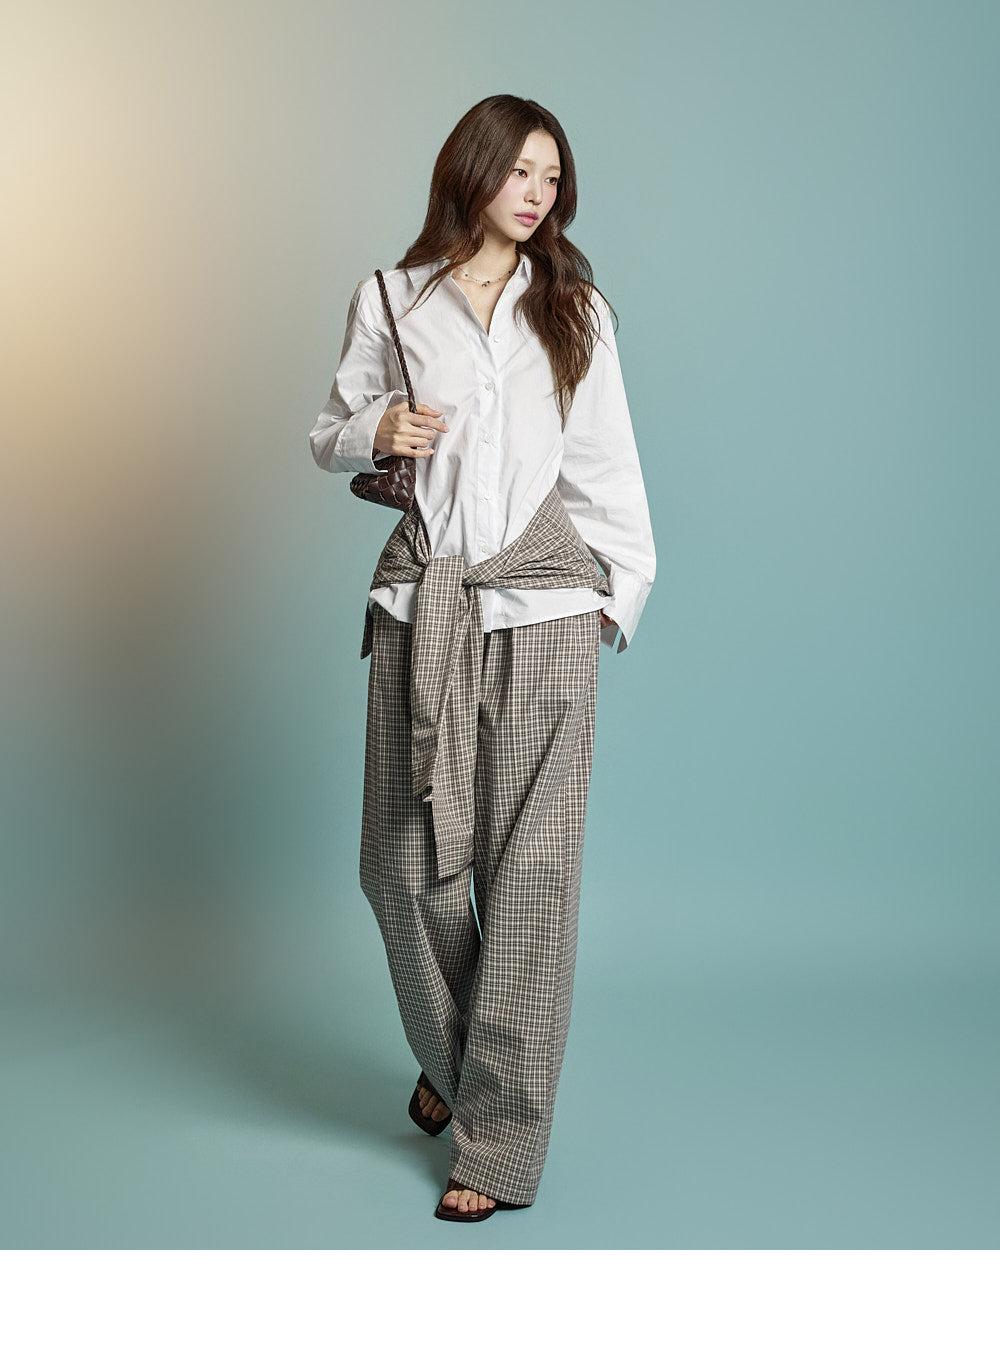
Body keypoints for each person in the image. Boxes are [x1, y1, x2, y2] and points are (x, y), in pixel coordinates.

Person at [307, 94, 656, 1222]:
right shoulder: (390, 299)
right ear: (473, 169)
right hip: (426, 608)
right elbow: (329, 431)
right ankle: (458, 1069)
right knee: (401, 871)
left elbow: (605, 459)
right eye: (520, 170)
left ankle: (497, 1146)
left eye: (553, 177)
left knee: (531, 884)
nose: (537, 192)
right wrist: (375, 431)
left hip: (545, 609)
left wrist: (618, 590)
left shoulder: (575, 309)